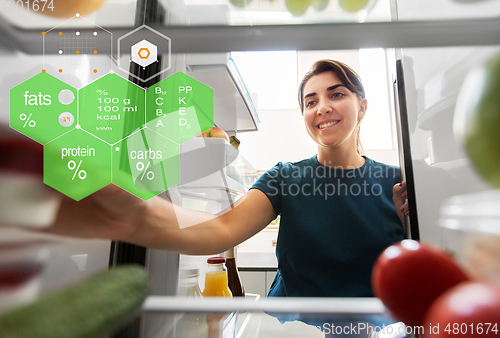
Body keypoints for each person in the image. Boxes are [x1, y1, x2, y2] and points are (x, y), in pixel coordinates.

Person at [45, 59, 409, 299]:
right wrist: (134, 215)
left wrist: (411, 225)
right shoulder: (285, 177)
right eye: (310, 101)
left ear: (362, 106)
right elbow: (221, 230)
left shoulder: (397, 183)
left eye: (337, 94)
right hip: (289, 330)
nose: (322, 108)